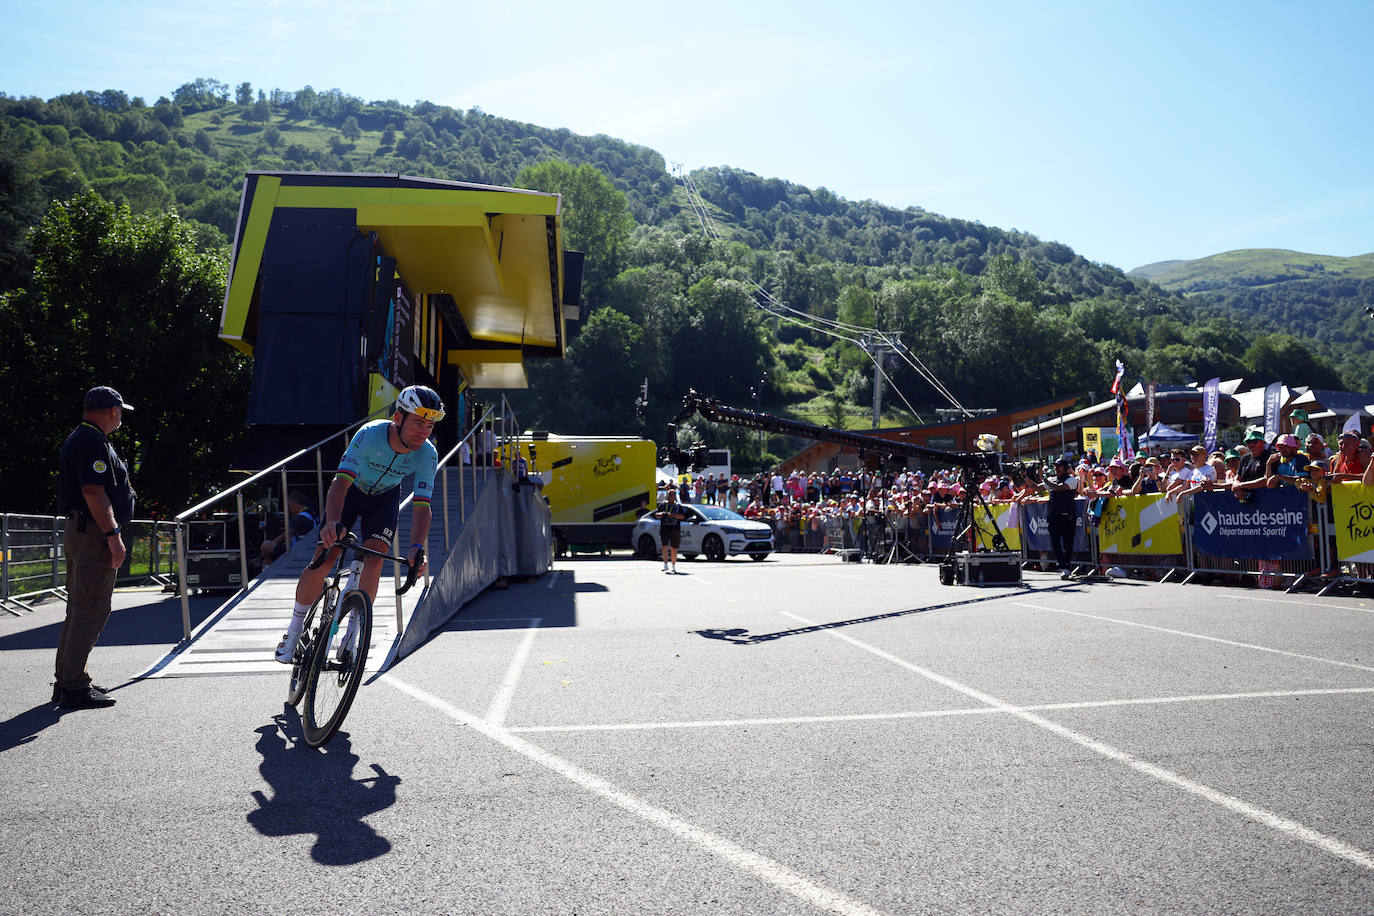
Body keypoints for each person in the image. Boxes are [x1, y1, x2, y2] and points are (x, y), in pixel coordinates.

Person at [275, 385, 441, 663]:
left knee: (374, 560)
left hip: (384, 498)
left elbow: (423, 505)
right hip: (350, 492)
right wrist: (332, 523)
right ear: (398, 419)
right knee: (326, 557)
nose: (424, 432)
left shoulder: (428, 454)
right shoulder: (369, 435)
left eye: (430, 425)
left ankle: (353, 633)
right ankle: (293, 631)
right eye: (418, 423)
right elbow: (340, 483)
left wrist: (416, 547)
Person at [54, 386, 137, 709]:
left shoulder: (84, 436)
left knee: (78, 609)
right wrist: (113, 535)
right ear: (112, 411)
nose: (120, 418)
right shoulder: (92, 440)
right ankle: (74, 686)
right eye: (119, 412)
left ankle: (68, 680)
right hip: (93, 534)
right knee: (90, 609)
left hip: (82, 531)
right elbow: (93, 492)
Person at [1043, 457, 1079, 579]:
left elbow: (1058, 488)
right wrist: (1027, 476)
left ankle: (1067, 566)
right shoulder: (1051, 479)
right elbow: (1037, 487)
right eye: (1055, 466)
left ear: (1065, 467)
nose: (1056, 468)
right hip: (1054, 517)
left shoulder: (1072, 480)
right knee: (1055, 542)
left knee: (1068, 543)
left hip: (1068, 517)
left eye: (1059, 466)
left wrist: (1044, 480)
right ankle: (1062, 566)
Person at [260, 490, 319, 565]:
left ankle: (266, 566)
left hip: (298, 551)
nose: (290, 509)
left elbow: (287, 534)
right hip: (312, 549)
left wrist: (274, 542)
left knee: (265, 545)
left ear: (295, 504)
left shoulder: (300, 517)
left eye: (290, 506)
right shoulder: (313, 515)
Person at [654, 485, 689, 573]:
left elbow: (682, 516)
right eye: (669, 495)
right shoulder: (663, 505)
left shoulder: (678, 506)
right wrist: (663, 514)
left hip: (675, 529)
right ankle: (665, 565)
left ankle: (673, 566)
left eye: (672, 495)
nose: (671, 496)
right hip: (664, 528)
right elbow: (656, 515)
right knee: (664, 546)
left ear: (675, 496)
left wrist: (672, 515)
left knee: (674, 548)